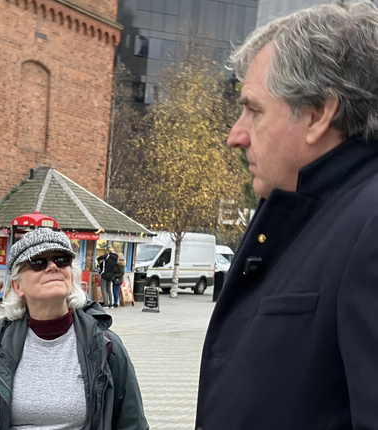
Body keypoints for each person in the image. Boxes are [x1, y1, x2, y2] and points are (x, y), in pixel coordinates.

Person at [197, 3, 378, 429]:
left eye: (254, 110)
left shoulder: (368, 228)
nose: (235, 135)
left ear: (319, 113)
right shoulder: (313, 216)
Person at [0, 228, 148, 429]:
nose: (52, 266)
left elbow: (133, 423)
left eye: (62, 260)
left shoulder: (106, 346)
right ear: (17, 286)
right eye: (38, 262)